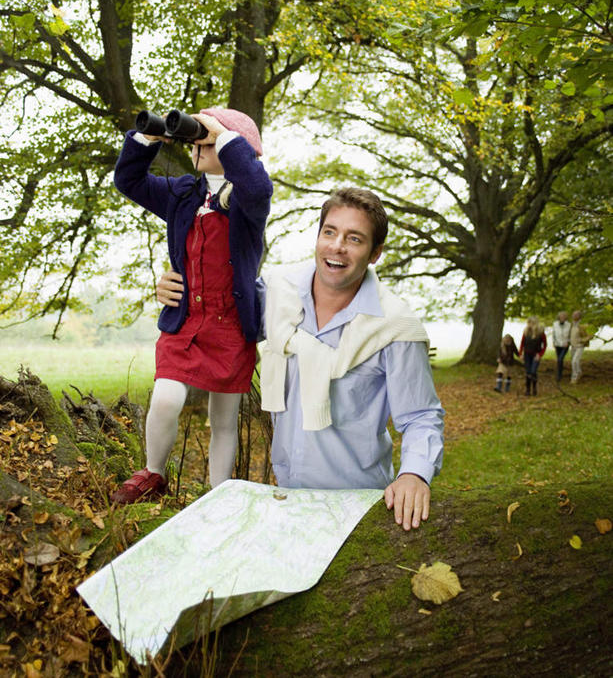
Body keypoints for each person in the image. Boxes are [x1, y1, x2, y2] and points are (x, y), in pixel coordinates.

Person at [157, 187, 444, 532]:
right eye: (330, 232)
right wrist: (180, 290)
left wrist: (414, 474)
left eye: (354, 239)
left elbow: (422, 416)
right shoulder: (277, 291)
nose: (337, 246)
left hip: (359, 506)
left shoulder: (395, 325)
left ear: (375, 254)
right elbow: (220, 311)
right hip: (287, 500)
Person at [110, 107, 273, 504]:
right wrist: (149, 139)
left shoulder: (248, 199)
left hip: (231, 325)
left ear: (234, 146)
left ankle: (218, 493)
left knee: (224, 419)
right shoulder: (183, 192)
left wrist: (224, 135)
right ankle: (153, 473)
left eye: (209, 137)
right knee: (166, 397)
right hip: (186, 320)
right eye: (198, 133)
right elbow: (128, 180)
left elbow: (256, 185)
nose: (199, 141)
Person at [519, 317, 547, 396]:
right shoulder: (526, 332)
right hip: (527, 354)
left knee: (533, 371)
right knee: (528, 372)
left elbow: (544, 345)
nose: (530, 325)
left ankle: (534, 388)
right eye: (529, 323)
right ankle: (528, 389)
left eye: (532, 323)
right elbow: (522, 343)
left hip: (536, 355)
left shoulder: (541, 333)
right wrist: (521, 353)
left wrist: (540, 354)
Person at [569, 310, 590, 383]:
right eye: (573, 314)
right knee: (573, 361)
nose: (573, 316)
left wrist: (582, 340)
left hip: (580, 346)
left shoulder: (584, 325)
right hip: (572, 346)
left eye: (575, 315)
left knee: (575, 361)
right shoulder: (571, 324)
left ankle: (574, 377)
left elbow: (590, 335)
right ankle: (579, 372)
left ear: (579, 316)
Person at [552, 311, 571, 382]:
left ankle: (559, 375)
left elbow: (570, 335)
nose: (562, 317)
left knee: (560, 359)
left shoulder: (569, 325)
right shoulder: (555, 324)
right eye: (561, 316)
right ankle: (559, 373)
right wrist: (553, 342)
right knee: (559, 360)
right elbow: (553, 334)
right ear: (559, 317)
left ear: (566, 317)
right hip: (557, 344)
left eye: (564, 316)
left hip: (565, 345)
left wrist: (568, 342)